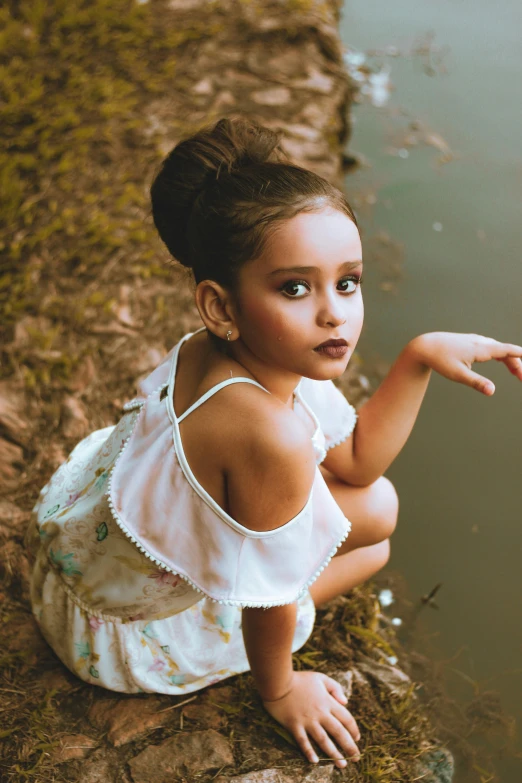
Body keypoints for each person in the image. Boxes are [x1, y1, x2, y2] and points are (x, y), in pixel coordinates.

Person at [25, 115, 522, 770]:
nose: (333, 311)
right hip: (112, 632)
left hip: (85, 562)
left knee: (377, 507)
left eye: (347, 280)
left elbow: (358, 459)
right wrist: (282, 688)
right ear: (221, 306)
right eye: (295, 287)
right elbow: (265, 595)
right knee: (377, 544)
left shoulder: (249, 351)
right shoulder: (269, 434)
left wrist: (419, 357)